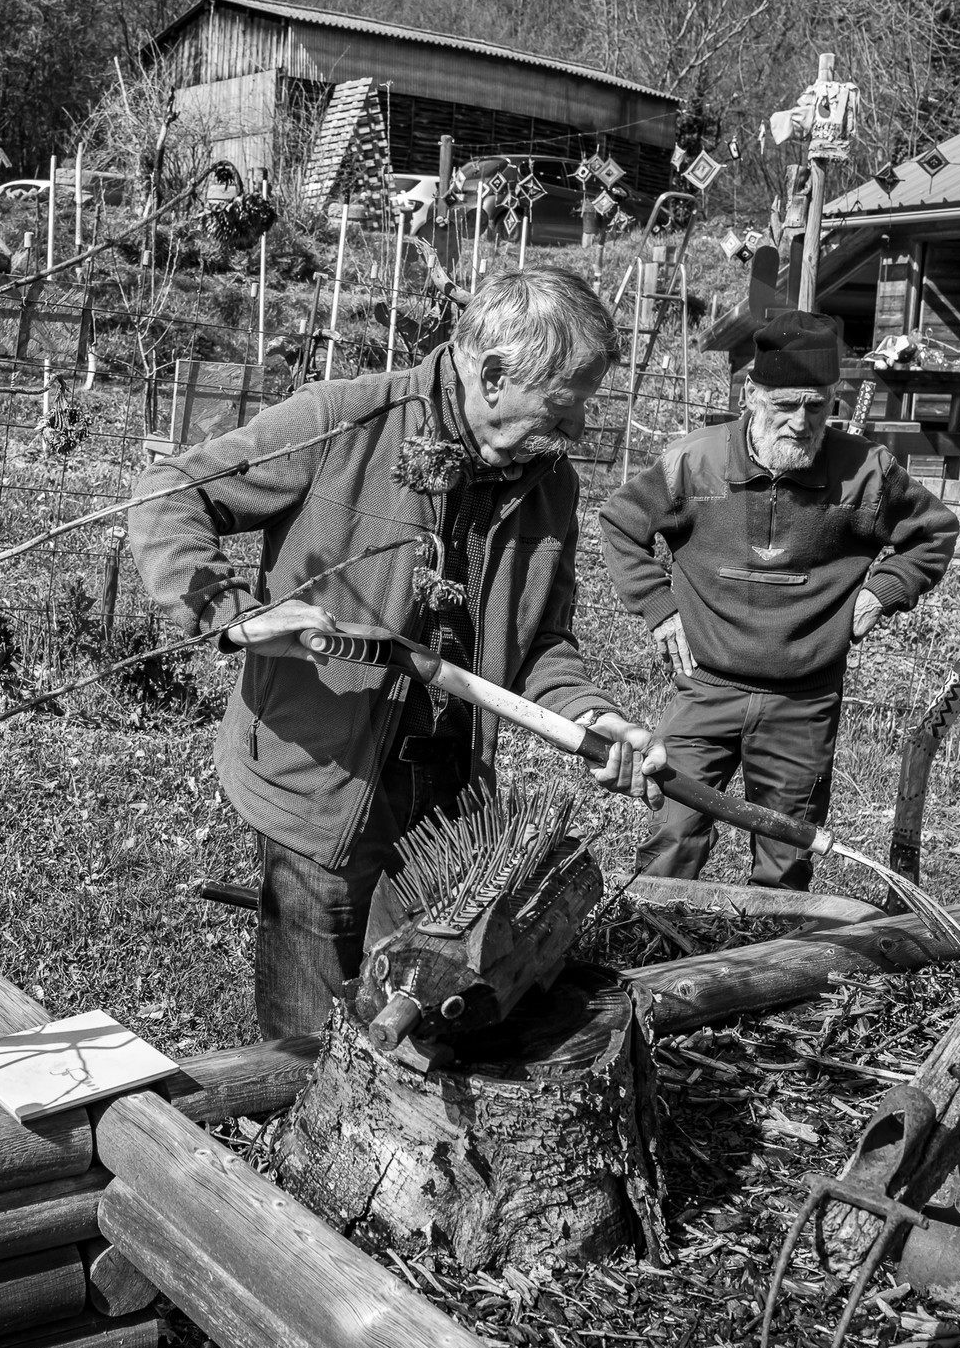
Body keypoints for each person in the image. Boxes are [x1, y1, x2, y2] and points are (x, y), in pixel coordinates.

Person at [128, 268, 665, 1037]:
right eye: (564, 403)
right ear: (493, 374)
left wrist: (592, 716)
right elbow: (170, 493)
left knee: (416, 992)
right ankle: (295, 1136)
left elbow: (542, 640)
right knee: (309, 1028)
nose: (577, 430)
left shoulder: (550, 483)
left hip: (447, 787)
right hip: (321, 776)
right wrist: (229, 611)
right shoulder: (343, 420)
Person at [597, 310, 958, 892]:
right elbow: (620, 523)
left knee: (788, 849)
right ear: (751, 395)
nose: (800, 423)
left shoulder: (865, 473)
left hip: (803, 697)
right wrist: (658, 607)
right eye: (784, 405)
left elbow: (934, 533)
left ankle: (768, 967)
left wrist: (882, 592)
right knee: (672, 831)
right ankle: (653, 940)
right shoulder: (696, 461)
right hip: (706, 687)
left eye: (817, 407)